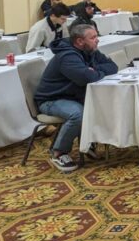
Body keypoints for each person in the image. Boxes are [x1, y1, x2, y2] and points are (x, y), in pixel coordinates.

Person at [33, 24, 118, 172]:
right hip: (51, 100)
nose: (97, 40)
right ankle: (58, 152)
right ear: (79, 41)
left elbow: (113, 66)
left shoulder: (89, 50)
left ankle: (88, 141)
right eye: (93, 37)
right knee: (77, 114)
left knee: (100, 103)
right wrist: (91, 72)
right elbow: (86, 78)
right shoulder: (67, 56)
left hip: (72, 96)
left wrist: (95, 70)